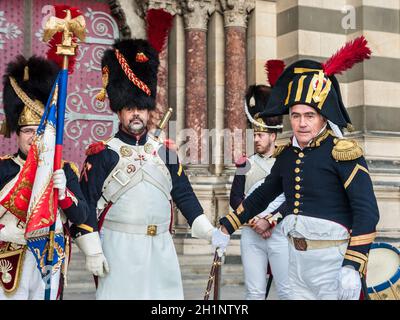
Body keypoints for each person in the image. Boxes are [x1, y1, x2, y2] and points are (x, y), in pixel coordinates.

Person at [214, 36, 380, 300]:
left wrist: (353, 263)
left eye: (309, 116)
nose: (301, 123)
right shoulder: (288, 156)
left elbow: (367, 213)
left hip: (333, 262)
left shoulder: (343, 153)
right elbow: (262, 195)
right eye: (296, 115)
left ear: (323, 117)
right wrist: (226, 226)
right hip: (295, 261)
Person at [71, 38, 217, 300]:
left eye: (141, 108)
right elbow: (85, 205)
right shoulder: (102, 154)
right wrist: (92, 249)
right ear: (119, 112)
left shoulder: (165, 153)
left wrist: (208, 230)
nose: (136, 114)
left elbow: (184, 195)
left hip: (161, 247)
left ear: (150, 111)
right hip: (118, 247)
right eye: (129, 108)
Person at [0, 55, 89, 300]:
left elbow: (81, 215)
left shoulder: (65, 170)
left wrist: (64, 194)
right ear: (16, 134)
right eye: (27, 131)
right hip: (8, 261)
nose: (34, 137)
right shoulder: (4, 169)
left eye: (40, 130)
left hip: (49, 258)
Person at [230, 74, 290, 300]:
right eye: (255, 134)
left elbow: (290, 197)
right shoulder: (245, 164)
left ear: (273, 136)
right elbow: (235, 198)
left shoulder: (286, 161)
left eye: (261, 135)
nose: (256, 139)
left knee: (286, 290)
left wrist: (270, 220)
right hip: (250, 230)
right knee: (254, 292)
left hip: (280, 231)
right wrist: (256, 221)